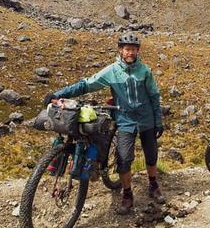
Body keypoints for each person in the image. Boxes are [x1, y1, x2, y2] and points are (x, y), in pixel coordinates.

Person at [44, 32, 165, 214]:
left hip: (146, 119)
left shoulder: (145, 71)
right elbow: (86, 84)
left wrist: (158, 120)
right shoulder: (112, 71)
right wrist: (59, 94)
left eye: (133, 49)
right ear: (120, 51)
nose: (130, 53)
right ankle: (127, 194)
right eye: (127, 49)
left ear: (137, 51)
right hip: (125, 121)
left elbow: (154, 97)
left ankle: (153, 185)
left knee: (151, 154)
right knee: (123, 160)